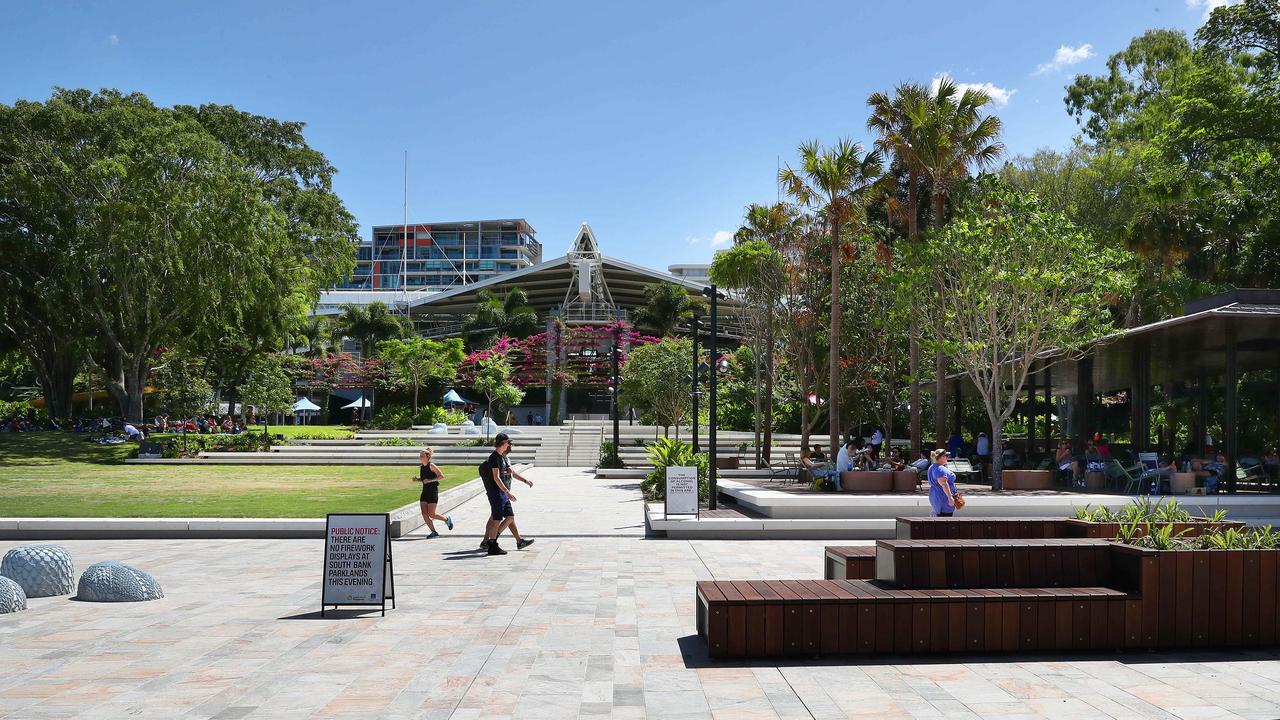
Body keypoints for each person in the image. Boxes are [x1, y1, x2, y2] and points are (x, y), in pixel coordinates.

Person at [479, 433, 534, 555]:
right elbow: (496, 478)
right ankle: (492, 545)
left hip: (502, 493)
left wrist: (525, 481)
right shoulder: (494, 458)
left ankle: (492, 541)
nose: (509, 445)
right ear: (503, 443)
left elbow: (509, 473)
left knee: (509, 517)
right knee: (496, 518)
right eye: (508, 442)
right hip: (497, 493)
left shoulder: (502, 457)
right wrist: (507, 492)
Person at [413, 448, 453, 538]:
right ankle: (434, 532)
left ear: (428, 457)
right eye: (420, 456)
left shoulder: (432, 465)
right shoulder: (421, 467)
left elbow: (441, 476)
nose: (420, 457)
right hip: (425, 492)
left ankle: (446, 519)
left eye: (422, 456)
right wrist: (417, 479)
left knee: (432, 514)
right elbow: (424, 480)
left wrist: (430, 480)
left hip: (432, 491)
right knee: (424, 513)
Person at [928, 449, 960, 517]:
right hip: (943, 498)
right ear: (942, 457)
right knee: (945, 522)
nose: (947, 457)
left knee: (939, 519)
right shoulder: (940, 468)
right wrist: (950, 497)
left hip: (936, 496)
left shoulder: (932, 467)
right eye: (946, 456)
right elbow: (943, 483)